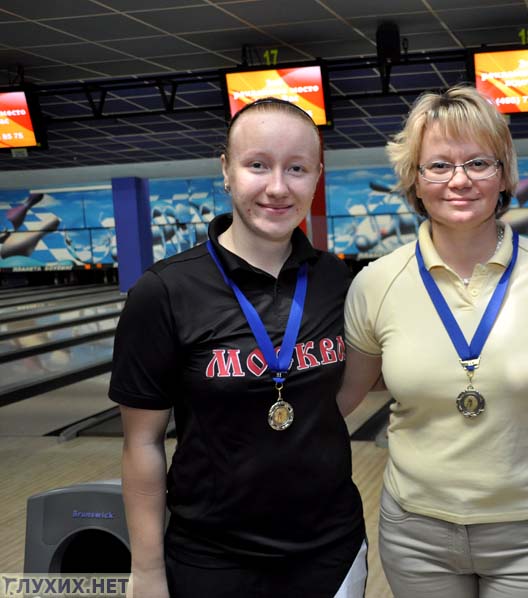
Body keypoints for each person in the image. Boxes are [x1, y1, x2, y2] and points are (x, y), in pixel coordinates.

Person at [336, 84, 528, 598]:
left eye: (479, 163)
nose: (459, 180)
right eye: (438, 166)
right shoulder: (376, 283)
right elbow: (344, 399)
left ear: (503, 174)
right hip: (416, 536)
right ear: (415, 180)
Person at [109, 98, 366, 598]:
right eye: (257, 165)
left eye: (297, 168)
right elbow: (141, 444)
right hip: (210, 558)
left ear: (317, 177)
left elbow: (334, 402)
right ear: (226, 170)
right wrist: (147, 570)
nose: (278, 187)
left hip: (330, 550)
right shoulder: (164, 292)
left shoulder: (337, 280)